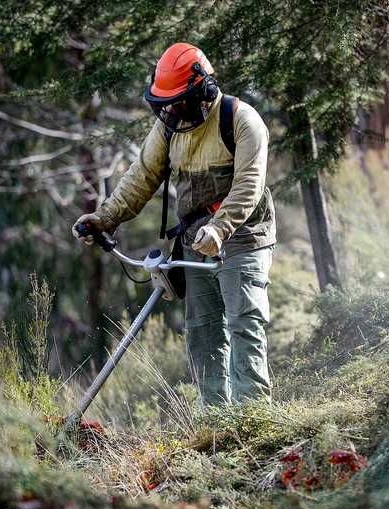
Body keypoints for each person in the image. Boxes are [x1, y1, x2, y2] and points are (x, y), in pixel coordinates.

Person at [72, 42, 275, 405]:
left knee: (245, 321)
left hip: (243, 236)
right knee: (203, 331)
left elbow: (249, 185)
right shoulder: (170, 128)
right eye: (166, 104)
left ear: (203, 91)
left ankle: (253, 416)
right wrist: (105, 218)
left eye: (178, 102)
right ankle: (215, 422)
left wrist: (220, 228)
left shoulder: (242, 121)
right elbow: (142, 176)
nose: (171, 111)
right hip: (196, 239)